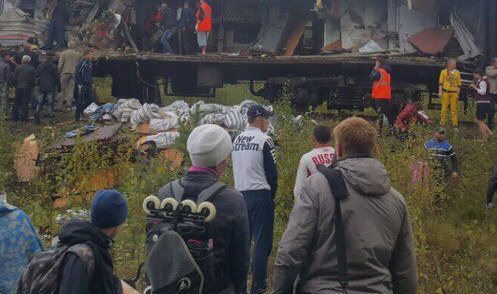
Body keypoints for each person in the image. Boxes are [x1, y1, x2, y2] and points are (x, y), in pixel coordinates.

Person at [273, 117, 418, 294]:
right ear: (375, 148)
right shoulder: (397, 200)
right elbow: (405, 271)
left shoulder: (317, 186)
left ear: (339, 148)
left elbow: (290, 252)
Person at [155, 125, 250, 293]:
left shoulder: (165, 193)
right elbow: (240, 262)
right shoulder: (232, 200)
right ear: (222, 160)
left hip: (170, 287)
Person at [232, 104, 277, 293]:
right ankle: (258, 287)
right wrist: (271, 197)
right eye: (267, 118)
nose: (268, 122)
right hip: (260, 194)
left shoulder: (236, 140)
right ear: (258, 119)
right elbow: (272, 173)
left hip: (240, 195)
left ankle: (239, 286)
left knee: (243, 243)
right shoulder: (265, 140)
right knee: (261, 243)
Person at [293, 125, 336, 200]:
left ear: (313, 139)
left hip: (318, 201)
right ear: (331, 139)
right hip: (339, 200)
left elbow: (298, 189)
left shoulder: (306, 158)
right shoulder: (339, 154)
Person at [35, 54, 60, 124]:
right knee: (50, 103)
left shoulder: (40, 65)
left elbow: (36, 75)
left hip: (42, 87)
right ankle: (51, 118)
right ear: (52, 59)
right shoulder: (54, 67)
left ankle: (37, 116)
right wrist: (59, 87)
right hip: (51, 87)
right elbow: (57, 78)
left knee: (39, 103)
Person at [370, 58, 393, 130]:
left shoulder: (379, 71)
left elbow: (371, 77)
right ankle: (392, 129)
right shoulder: (387, 73)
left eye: (376, 62)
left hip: (379, 96)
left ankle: (379, 131)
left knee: (380, 114)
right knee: (388, 114)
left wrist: (375, 68)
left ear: (379, 63)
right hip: (386, 96)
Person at [57, 41, 82, 110]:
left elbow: (60, 64)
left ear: (68, 46)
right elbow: (80, 64)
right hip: (74, 73)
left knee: (61, 89)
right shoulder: (78, 54)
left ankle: (60, 105)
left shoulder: (64, 53)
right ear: (74, 46)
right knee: (71, 89)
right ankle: (69, 105)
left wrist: (59, 71)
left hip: (65, 72)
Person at [13, 55, 37, 122]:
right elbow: (33, 79)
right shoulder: (32, 69)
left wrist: (15, 85)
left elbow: (14, 78)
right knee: (25, 102)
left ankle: (15, 116)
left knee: (16, 102)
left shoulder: (17, 68)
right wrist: (32, 86)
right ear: (29, 61)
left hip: (18, 86)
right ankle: (24, 117)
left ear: (22, 60)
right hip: (27, 87)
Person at [438, 58, 461, 128]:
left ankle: (455, 125)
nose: (455, 66)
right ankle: (442, 124)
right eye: (453, 64)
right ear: (449, 64)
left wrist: (458, 93)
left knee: (454, 110)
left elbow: (459, 84)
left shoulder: (457, 72)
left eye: (455, 64)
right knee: (444, 109)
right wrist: (440, 92)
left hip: (454, 93)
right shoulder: (443, 72)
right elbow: (441, 83)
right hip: (445, 92)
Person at [73, 50, 95, 122]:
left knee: (91, 99)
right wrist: (80, 83)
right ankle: (77, 117)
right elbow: (77, 74)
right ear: (86, 55)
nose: (92, 56)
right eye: (90, 54)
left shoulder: (90, 63)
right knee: (80, 100)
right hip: (82, 85)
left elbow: (90, 75)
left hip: (88, 84)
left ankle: (81, 110)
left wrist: (92, 83)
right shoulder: (81, 63)